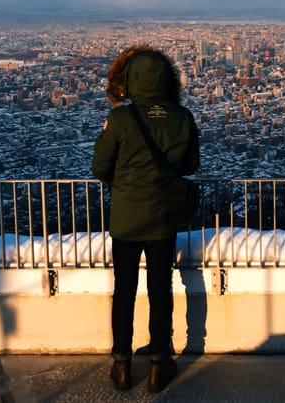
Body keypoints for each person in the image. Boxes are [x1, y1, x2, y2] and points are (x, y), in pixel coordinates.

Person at [92, 46, 200, 393]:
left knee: (124, 291)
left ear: (132, 80)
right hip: (162, 220)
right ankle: (158, 364)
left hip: (126, 221)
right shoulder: (182, 118)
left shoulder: (121, 119)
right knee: (160, 291)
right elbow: (191, 166)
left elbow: (99, 168)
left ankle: (122, 365)